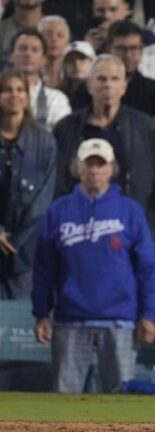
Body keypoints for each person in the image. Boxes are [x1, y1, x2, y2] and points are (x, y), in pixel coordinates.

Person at [32, 138, 155, 394]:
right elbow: (44, 267)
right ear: (77, 168)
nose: (94, 171)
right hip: (70, 320)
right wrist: (42, 313)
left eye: (100, 165)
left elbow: (147, 266)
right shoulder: (59, 210)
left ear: (112, 169)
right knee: (65, 400)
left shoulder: (130, 211)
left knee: (122, 399)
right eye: (88, 164)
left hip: (119, 320)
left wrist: (148, 314)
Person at [53, 54, 155, 220]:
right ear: (89, 85)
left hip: (130, 222)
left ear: (124, 86)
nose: (108, 85)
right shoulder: (65, 127)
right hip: (77, 221)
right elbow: (57, 178)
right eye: (101, 79)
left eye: (114, 79)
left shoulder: (144, 126)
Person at [0, 71, 57, 300]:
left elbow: (43, 200)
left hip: (27, 255)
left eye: (20, 90)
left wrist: (15, 243)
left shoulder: (44, 142)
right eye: (6, 90)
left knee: (21, 329)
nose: (14, 95)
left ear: (27, 96)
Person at [9, 29, 72, 131]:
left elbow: (63, 136)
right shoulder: (3, 95)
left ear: (43, 60)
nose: (28, 54)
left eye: (34, 50)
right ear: (11, 56)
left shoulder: (56, 100)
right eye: (22, 48)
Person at [37, 15, 71, 90]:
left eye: (60, 35)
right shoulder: (30, 74)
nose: (54, 39)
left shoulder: (73, 76)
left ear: (67, 41)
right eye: (48, 34)